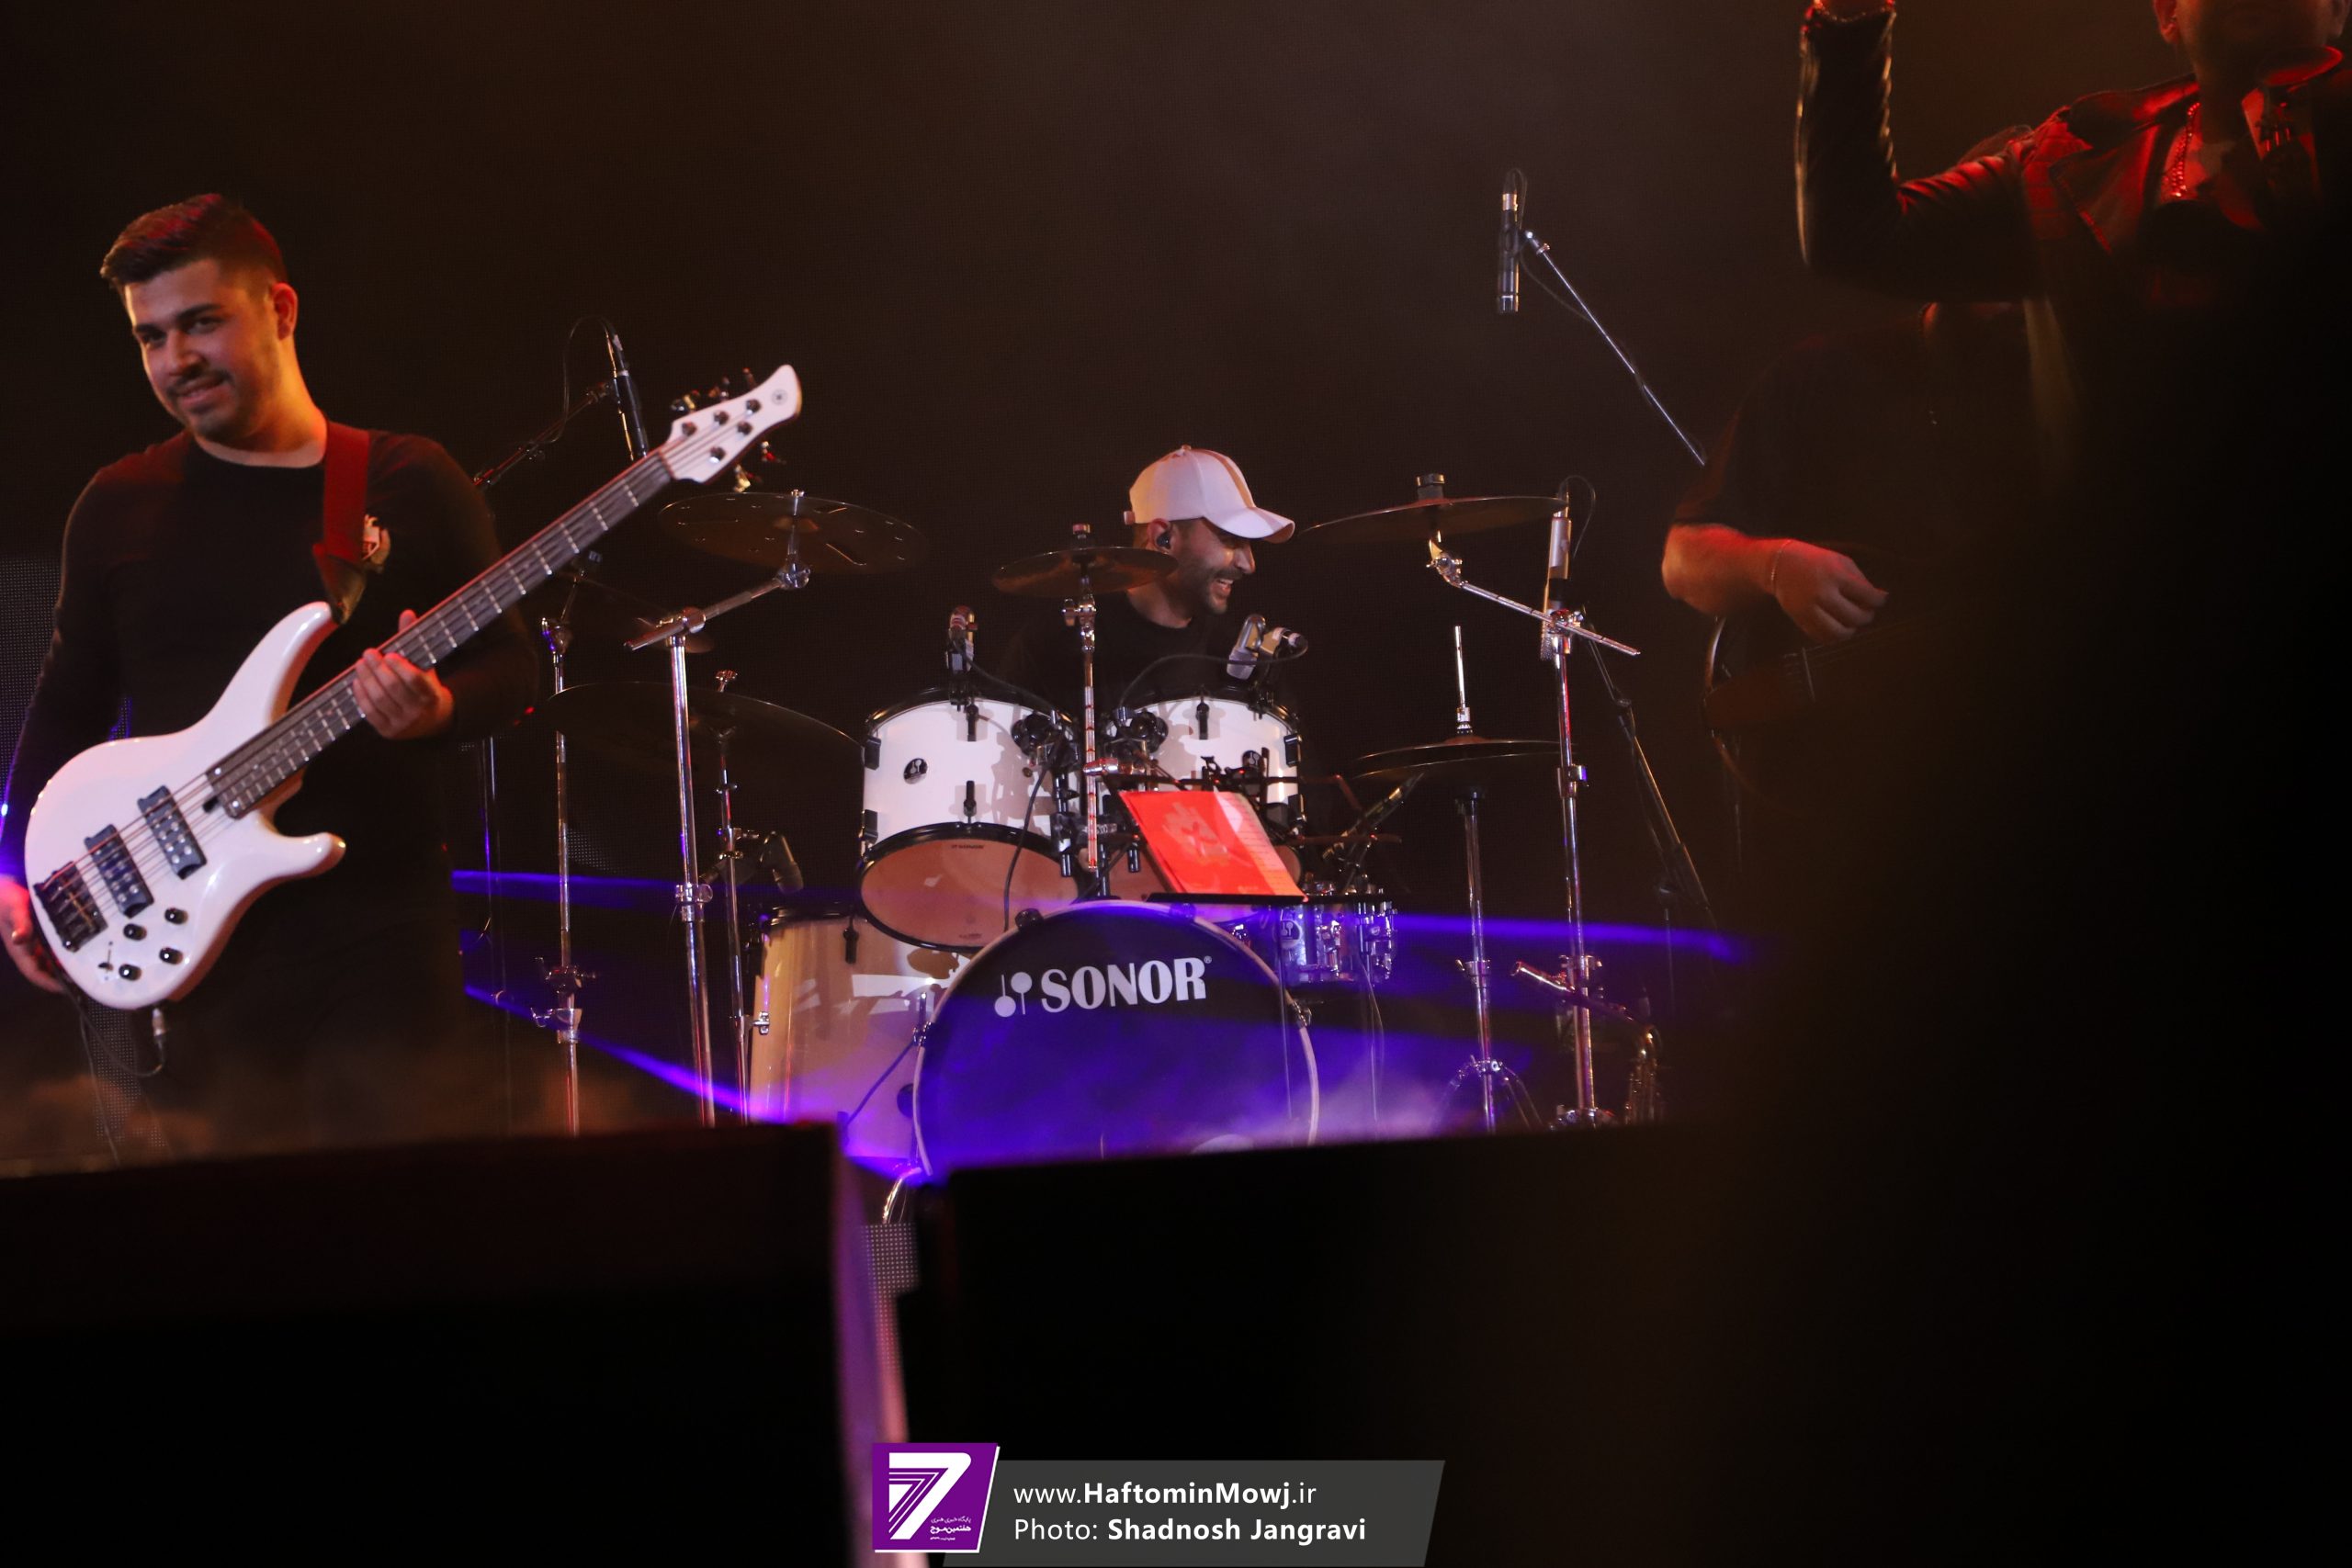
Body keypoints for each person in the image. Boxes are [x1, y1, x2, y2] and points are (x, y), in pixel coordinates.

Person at [0, 195, 537, 1156]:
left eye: (202, 322)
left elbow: (513, 661)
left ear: (280, 310)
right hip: (201, 949)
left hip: (379, 932)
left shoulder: (406, 480)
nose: (177, 358)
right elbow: (69, 700)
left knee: (394, 1211)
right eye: (152, 337)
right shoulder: (119, 504)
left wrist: (440, 709)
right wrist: (12, 871)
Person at [993, 446, 1297, 722]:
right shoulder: (1052, 648)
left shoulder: (1241, 660)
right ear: (1163, 538)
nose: (1248, 564)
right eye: (1230, 540)